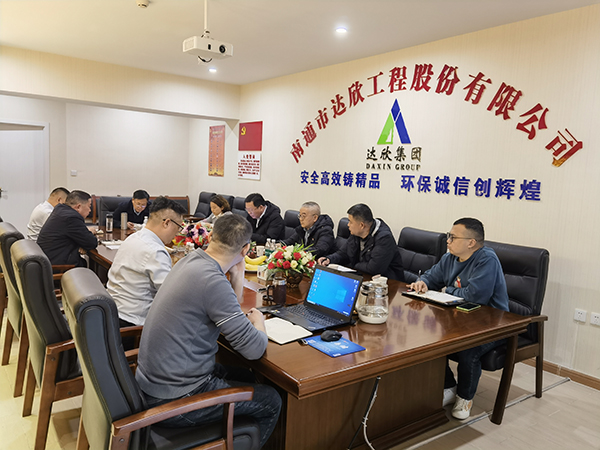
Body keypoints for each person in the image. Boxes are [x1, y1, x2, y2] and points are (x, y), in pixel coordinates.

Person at [135, 214, 281, 447]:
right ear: (245, 250)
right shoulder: (212, 280)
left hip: (155, 382)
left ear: (211, 235)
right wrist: (259, 322)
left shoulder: (191, 260)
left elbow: (227, 305)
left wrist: (237, 275)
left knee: (246, 376)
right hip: (173, 397)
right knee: (271, 400)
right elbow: (254, 349)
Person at [408, 217, 509, 420]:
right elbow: (431, 276)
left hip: (493, 323)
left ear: (471, 242)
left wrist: (447, 290)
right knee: (428, 338)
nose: (448, 240)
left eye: (453, 237)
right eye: (449, 236)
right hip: (460, 318)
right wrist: (422, 282)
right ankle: (448, 386)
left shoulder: (486, 259)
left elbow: (476, 296)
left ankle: (465, 397)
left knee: (469, 349)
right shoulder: (449, 258)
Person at [106, 196, 187, 331]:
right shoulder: (155, 251)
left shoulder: (133, 237)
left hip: (114, 311)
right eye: (179, 227)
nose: (178, 233)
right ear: (167, 223)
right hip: (133, 323)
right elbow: (170, 295)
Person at [318, 203, 404, 281]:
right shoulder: (356, 233)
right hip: (363, 277)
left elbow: (373, 269)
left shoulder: (384, 238)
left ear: (362, 225)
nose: (348, 225)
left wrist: (353, 264)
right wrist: (329, 259)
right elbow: (343, 253)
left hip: (389, 283)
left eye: (350, 222)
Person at [37, 190, 98, 267]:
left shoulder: (60, 210)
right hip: (57, 266)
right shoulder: (72, 217)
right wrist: (87, 237)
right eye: (89, 206)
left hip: (48, 261)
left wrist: (82, 243)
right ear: (78, 207)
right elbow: (92, 243)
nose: (90, 210)